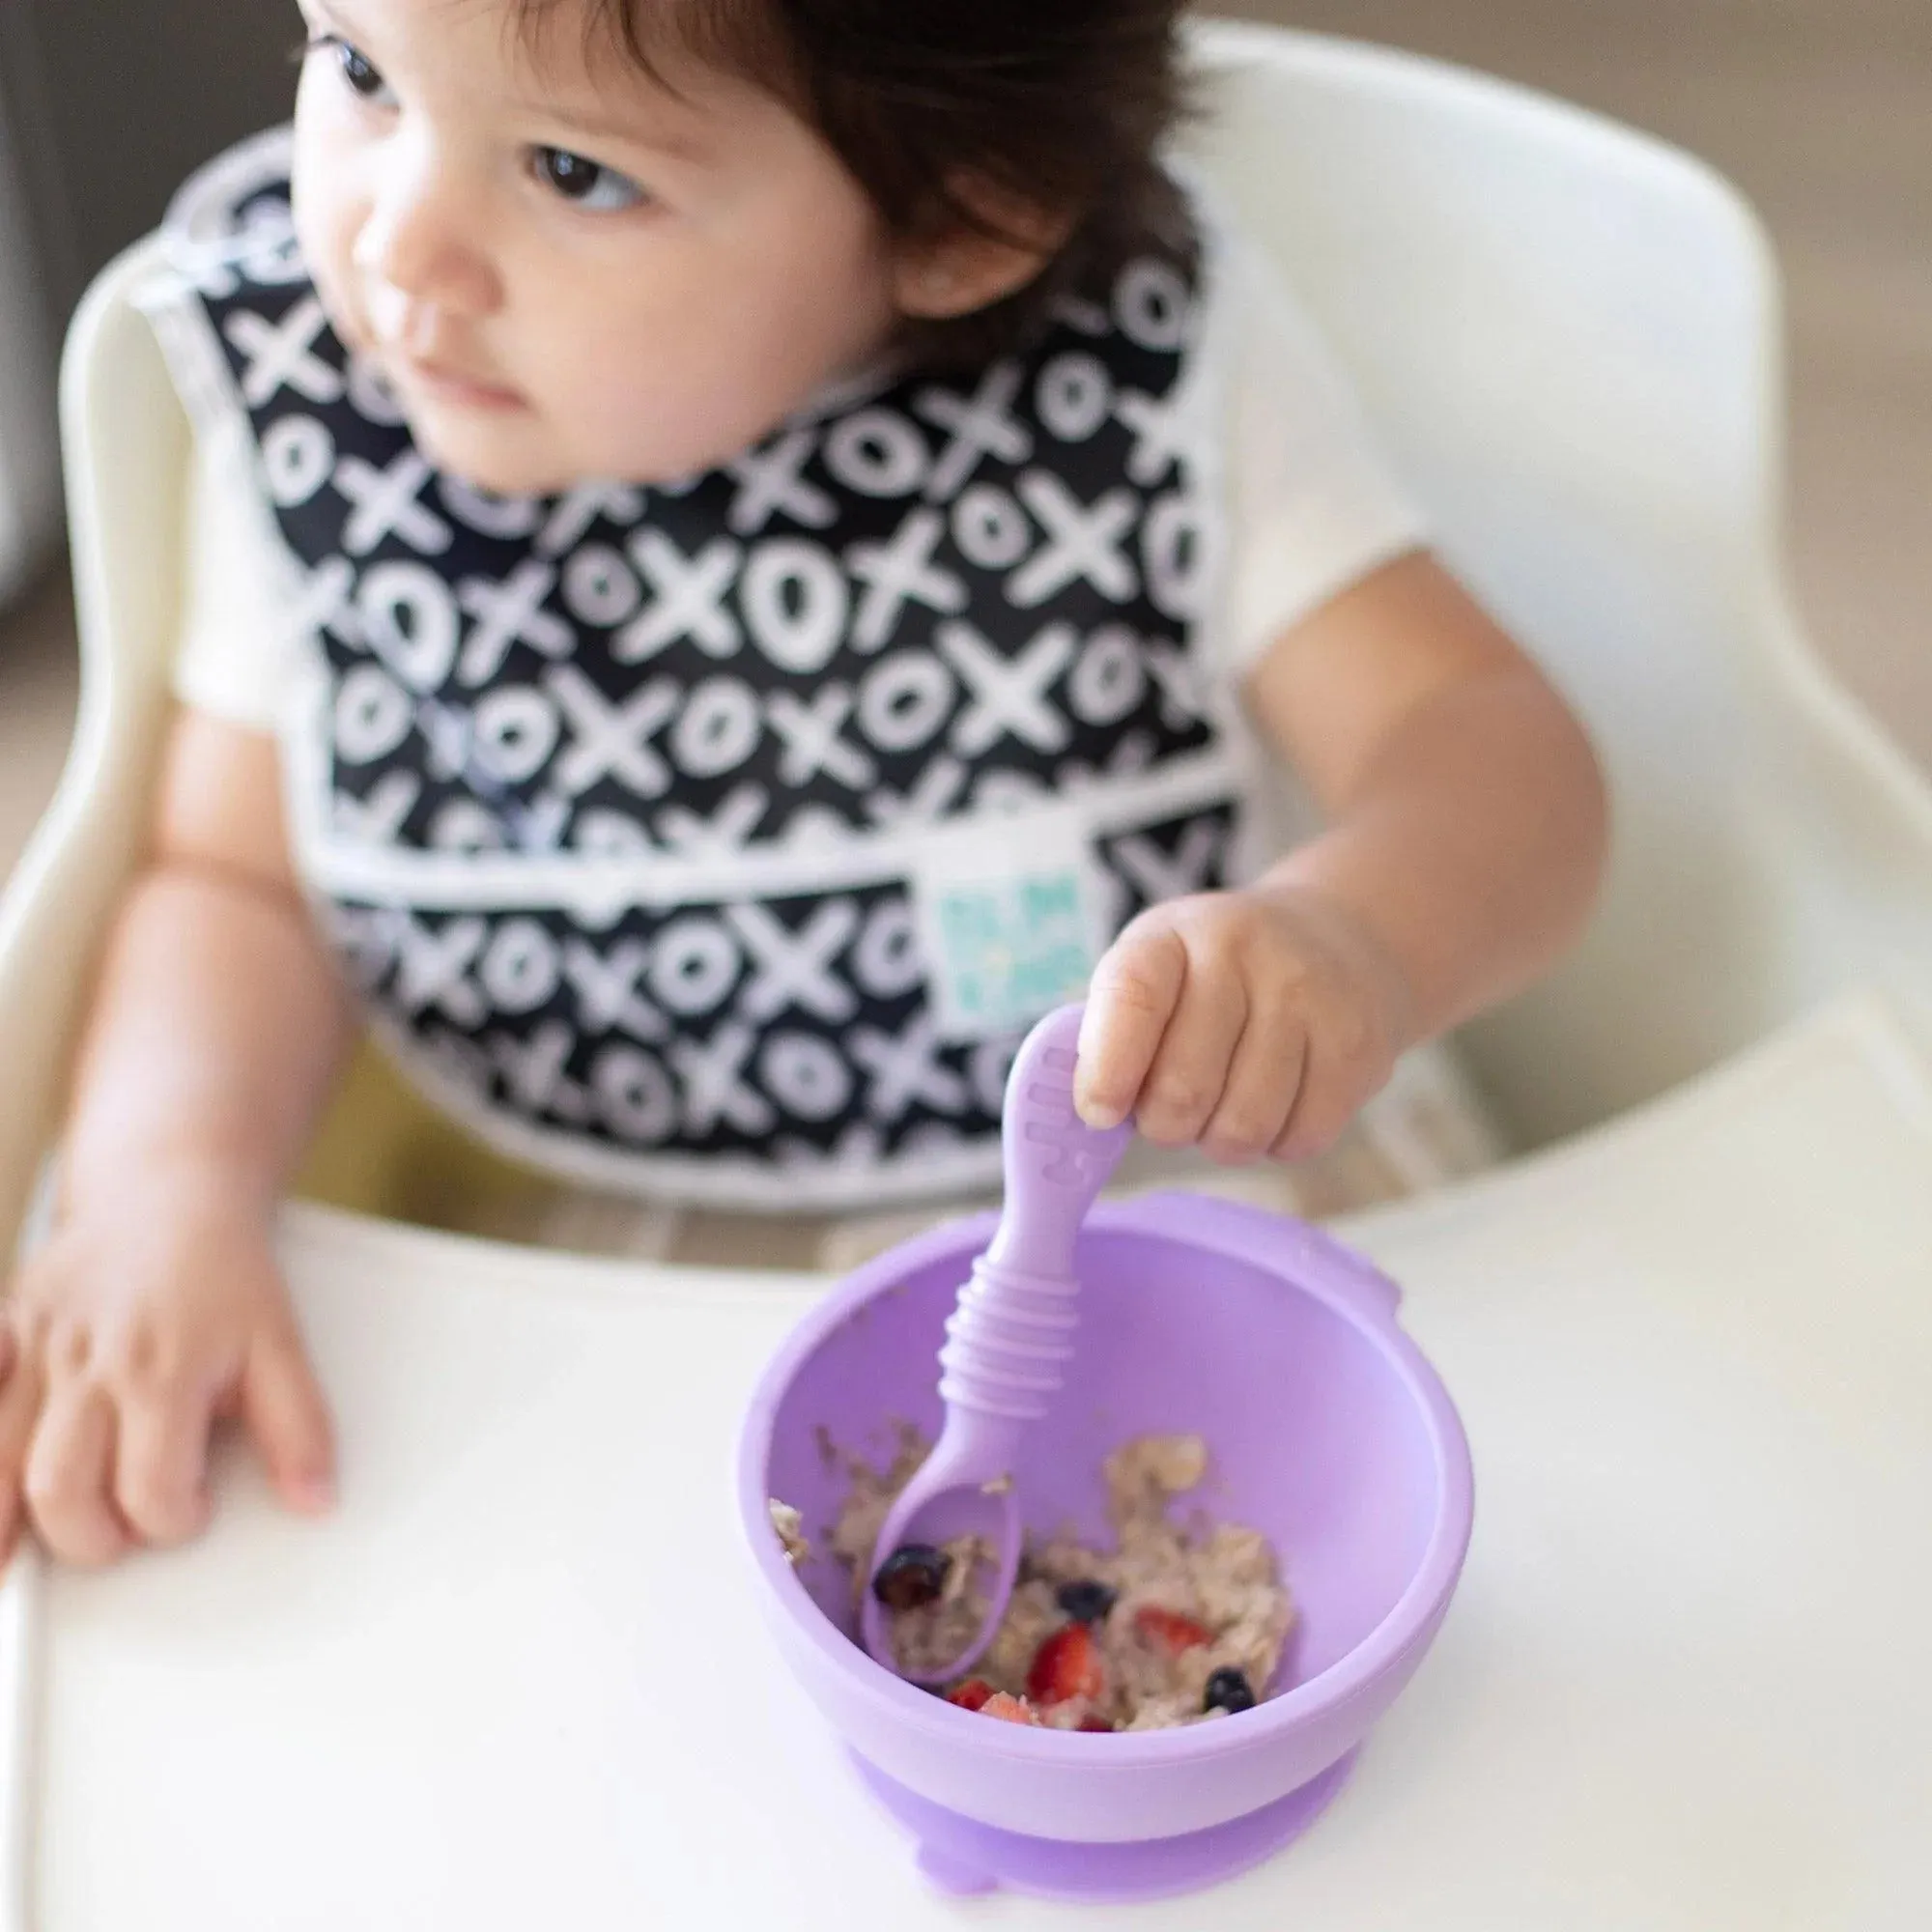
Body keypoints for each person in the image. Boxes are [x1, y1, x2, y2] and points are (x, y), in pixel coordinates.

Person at [0, 0, 1606, 1568]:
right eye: (358, 69)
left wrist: (1360, 939)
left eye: (572, 171)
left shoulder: (1138, 376)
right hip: (626, 1256)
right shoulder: (331, 415)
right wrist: (160, 1191)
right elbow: (235, 881)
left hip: (1195, 1208)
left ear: (962, 218)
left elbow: (1485, 742)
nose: (398, 244)